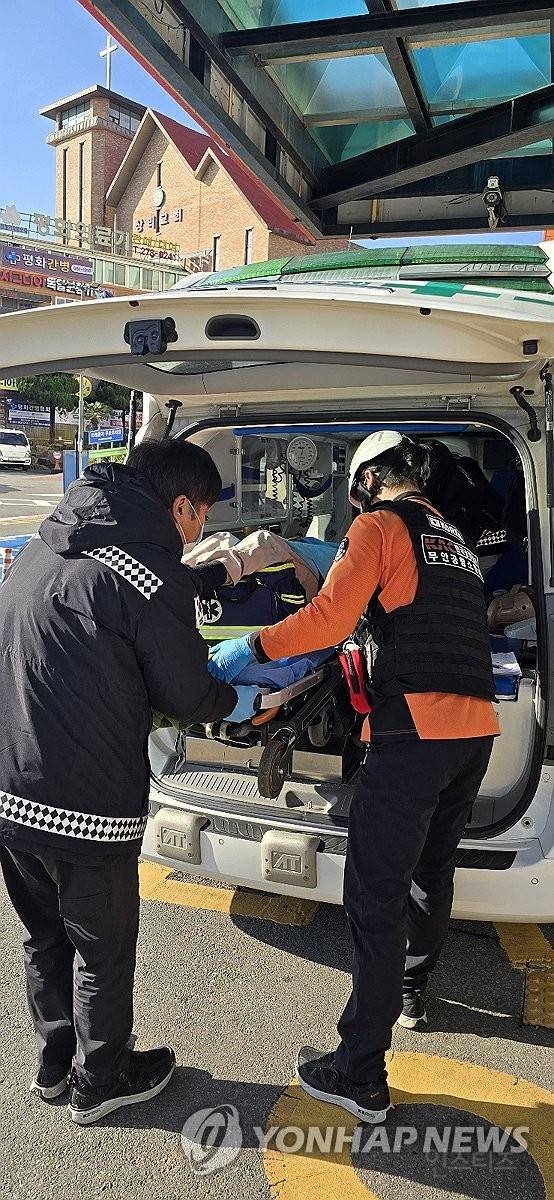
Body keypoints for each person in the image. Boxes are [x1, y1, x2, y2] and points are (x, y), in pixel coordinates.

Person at [209, 430, 499, 1124]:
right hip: (473, 734)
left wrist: (253, 643)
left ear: (366, 481)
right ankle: (410, 991)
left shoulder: (377, 526)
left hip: (415, 733)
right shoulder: (452, 539)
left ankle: (359, 1074)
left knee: (374, 897)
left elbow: (330, 619)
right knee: (431, 869)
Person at [0, 439, 259, 1125]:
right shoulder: (147, 574)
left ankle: (55, 1067)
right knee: (102, 948)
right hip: (84, 804)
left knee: (44, 938)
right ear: (179, 506)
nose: (201, 531)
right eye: (201, 516)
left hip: (10, 788)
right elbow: (186, 692)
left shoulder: (51, 543)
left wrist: (205, 579)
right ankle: (102, 1078)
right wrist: (243, 704)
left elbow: (105, 609)